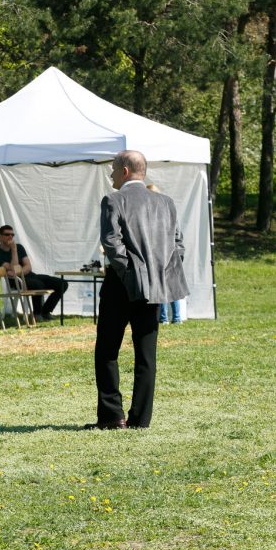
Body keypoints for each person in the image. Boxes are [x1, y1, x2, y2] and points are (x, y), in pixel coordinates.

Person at [87, 150, 188, 430]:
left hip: (121, 285)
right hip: (155, 286)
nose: (110, 175)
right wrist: (160, 272)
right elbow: (178, 245)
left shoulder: (113, 199)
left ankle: (111, 417)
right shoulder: (165, 202)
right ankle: (141, 419)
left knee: (107, 350)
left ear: (125, 171)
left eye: (113, 170)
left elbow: (111, 242)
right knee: (146, 355)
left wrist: (129, 273)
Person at [0, 225, 68, 321]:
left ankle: (45, 311)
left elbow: (28, 266)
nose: (10, 237)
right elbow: (14, 269)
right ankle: (37, 314)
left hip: (29, 275)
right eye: (7, 234)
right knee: (38, 284)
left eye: (12, 235)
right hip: (15, 281)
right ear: (0, 236)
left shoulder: (19, 247)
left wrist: (19, 271)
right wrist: (13, 250)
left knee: (62, 283)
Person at [147, 184, 186, 326]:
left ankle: (169, 317)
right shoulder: (165, 210)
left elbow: (176, 234)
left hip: (165, 254)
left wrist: (178, 251)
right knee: (167, 287)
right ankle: (171, 317)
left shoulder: (161, 211)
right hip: (164, 254)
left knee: (167, 287)